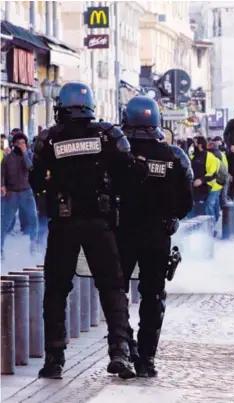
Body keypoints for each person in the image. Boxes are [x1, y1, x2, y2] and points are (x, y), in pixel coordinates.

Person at [30, 82, 147, 380]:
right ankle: (120, 350)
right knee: (112, 288)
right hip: (99, 223)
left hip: (64, 225)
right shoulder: (108, 136)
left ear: (61, 107)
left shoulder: (49, 140)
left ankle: (54, 360)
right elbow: (129, 176)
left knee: (56, 291)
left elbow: (37, 183)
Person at [118, 96, 193, 377]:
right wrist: (170, 217)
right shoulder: (174, 156)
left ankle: (125, 349)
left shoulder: (119, 154)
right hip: (157, 235)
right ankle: (147, 359)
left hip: (122, 232)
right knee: (153, 296)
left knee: (117, 294)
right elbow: (186, 200)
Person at [1, 132, 39, 257]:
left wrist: (24, 153)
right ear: (13, 144)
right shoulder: (7, 158)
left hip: (26, 192)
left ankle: (33, 245)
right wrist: (2, 186)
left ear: (26, 144)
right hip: (12, 193)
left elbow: (30, 167)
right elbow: (2, 174)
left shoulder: (29, 156)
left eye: (23, 143)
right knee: (5, 222)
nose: (20, 145)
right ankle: (0, 249)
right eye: (18, 143)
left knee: (33, 219)